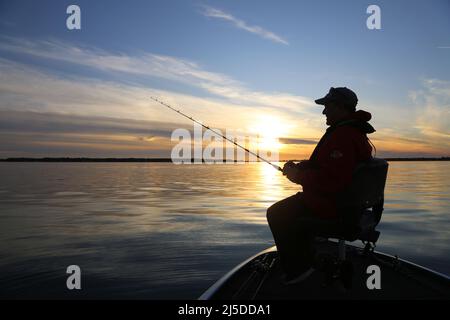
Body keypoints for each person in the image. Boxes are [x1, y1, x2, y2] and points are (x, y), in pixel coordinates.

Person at [266, 87, 375, 284]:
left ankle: (299, 267)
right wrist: (301, 168)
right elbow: (328, 167)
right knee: (285, 211)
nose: (324, 111)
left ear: (341, 107)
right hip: (341, 203)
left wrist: (299, 176)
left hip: (332, 205)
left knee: (276, 213)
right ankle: (308, 257)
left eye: (327, 106)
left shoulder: (343, 136)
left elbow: (331, 180)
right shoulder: (351, 132)